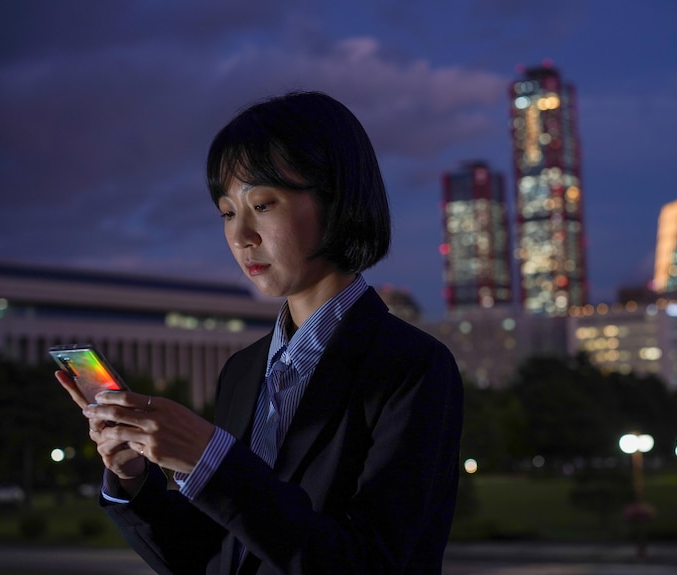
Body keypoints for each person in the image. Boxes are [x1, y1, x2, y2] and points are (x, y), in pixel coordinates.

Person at [56, 90, 464, 574]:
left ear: (335, 198)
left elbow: (374, 563)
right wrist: (131, 479)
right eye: (228, 212)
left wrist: (213, 459)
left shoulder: (412, 367)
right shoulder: (243, 371)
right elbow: (215, 557)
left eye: (264, 205)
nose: (239, 235)